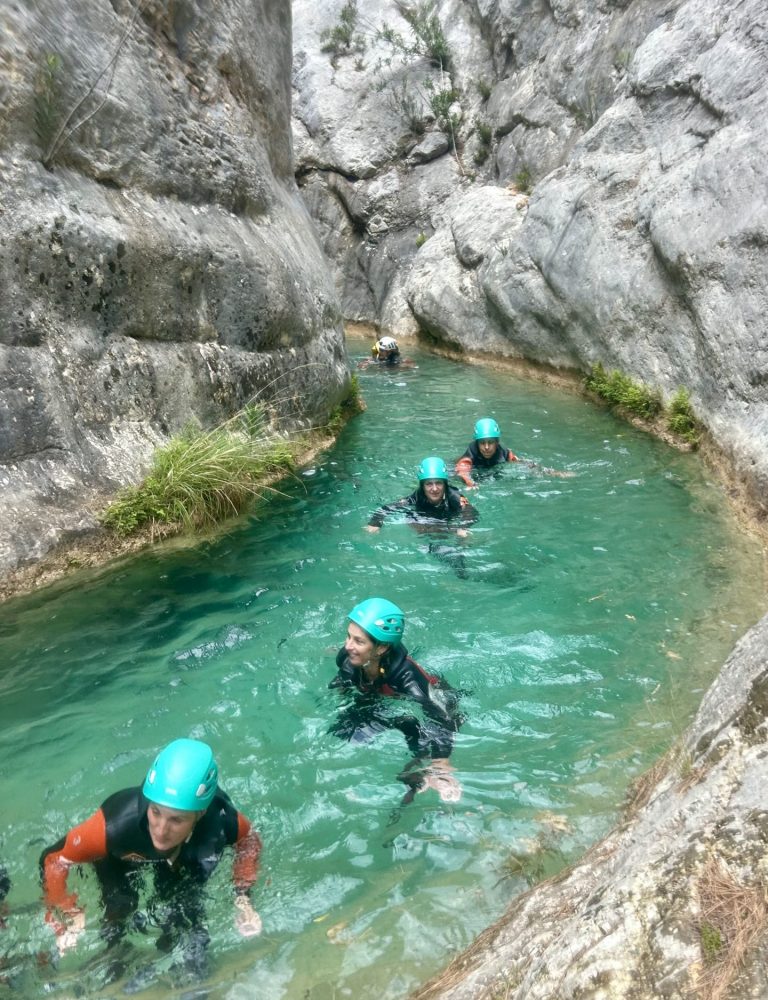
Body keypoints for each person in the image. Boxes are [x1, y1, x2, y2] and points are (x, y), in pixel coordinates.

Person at [39, 738, 262, 978]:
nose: (161, 829)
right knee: (119, 906)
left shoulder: (221, 821)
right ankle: (114, 954)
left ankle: (178, 966)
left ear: (201, 814)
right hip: (122, 858)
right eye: (156, 812)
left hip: (186, 854)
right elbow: (54, 859)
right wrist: (65, 910)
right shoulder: (116, 824)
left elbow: (249, 842)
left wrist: (243, 896)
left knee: (184, 907)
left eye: (176, 819)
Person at [329, 598, 462, 803]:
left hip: (434, 702)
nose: (348, 646)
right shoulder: (348, 658)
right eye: (348, 637)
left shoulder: (409, 681)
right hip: (380, 695)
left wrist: (441, 764)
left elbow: (442, 719)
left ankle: (418, 776)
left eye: (358, 641)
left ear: (381, 649)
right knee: (343, 731)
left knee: (413, 728)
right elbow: (345, 681)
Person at [365, 456, 478, 537]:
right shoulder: (417, 496)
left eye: (438, 483)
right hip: (422, 520)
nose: (434, 489)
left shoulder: (454, 496)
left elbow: (470, 511)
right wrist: (375, 522)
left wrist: (463, 527)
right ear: (422, 486)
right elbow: (388, 508)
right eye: (429, 484)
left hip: (446, 519)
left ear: (445, 484)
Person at [455, 417, 575, 488]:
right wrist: (470, 483)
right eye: (482, 443)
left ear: (497, 442)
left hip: (491, 472)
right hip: (474, 474)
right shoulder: (470, 454)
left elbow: (522, 463)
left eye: (490, 442)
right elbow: (462, 471)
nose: (486, 447)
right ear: (477, 443)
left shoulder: (504, 453)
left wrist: (553, 473)